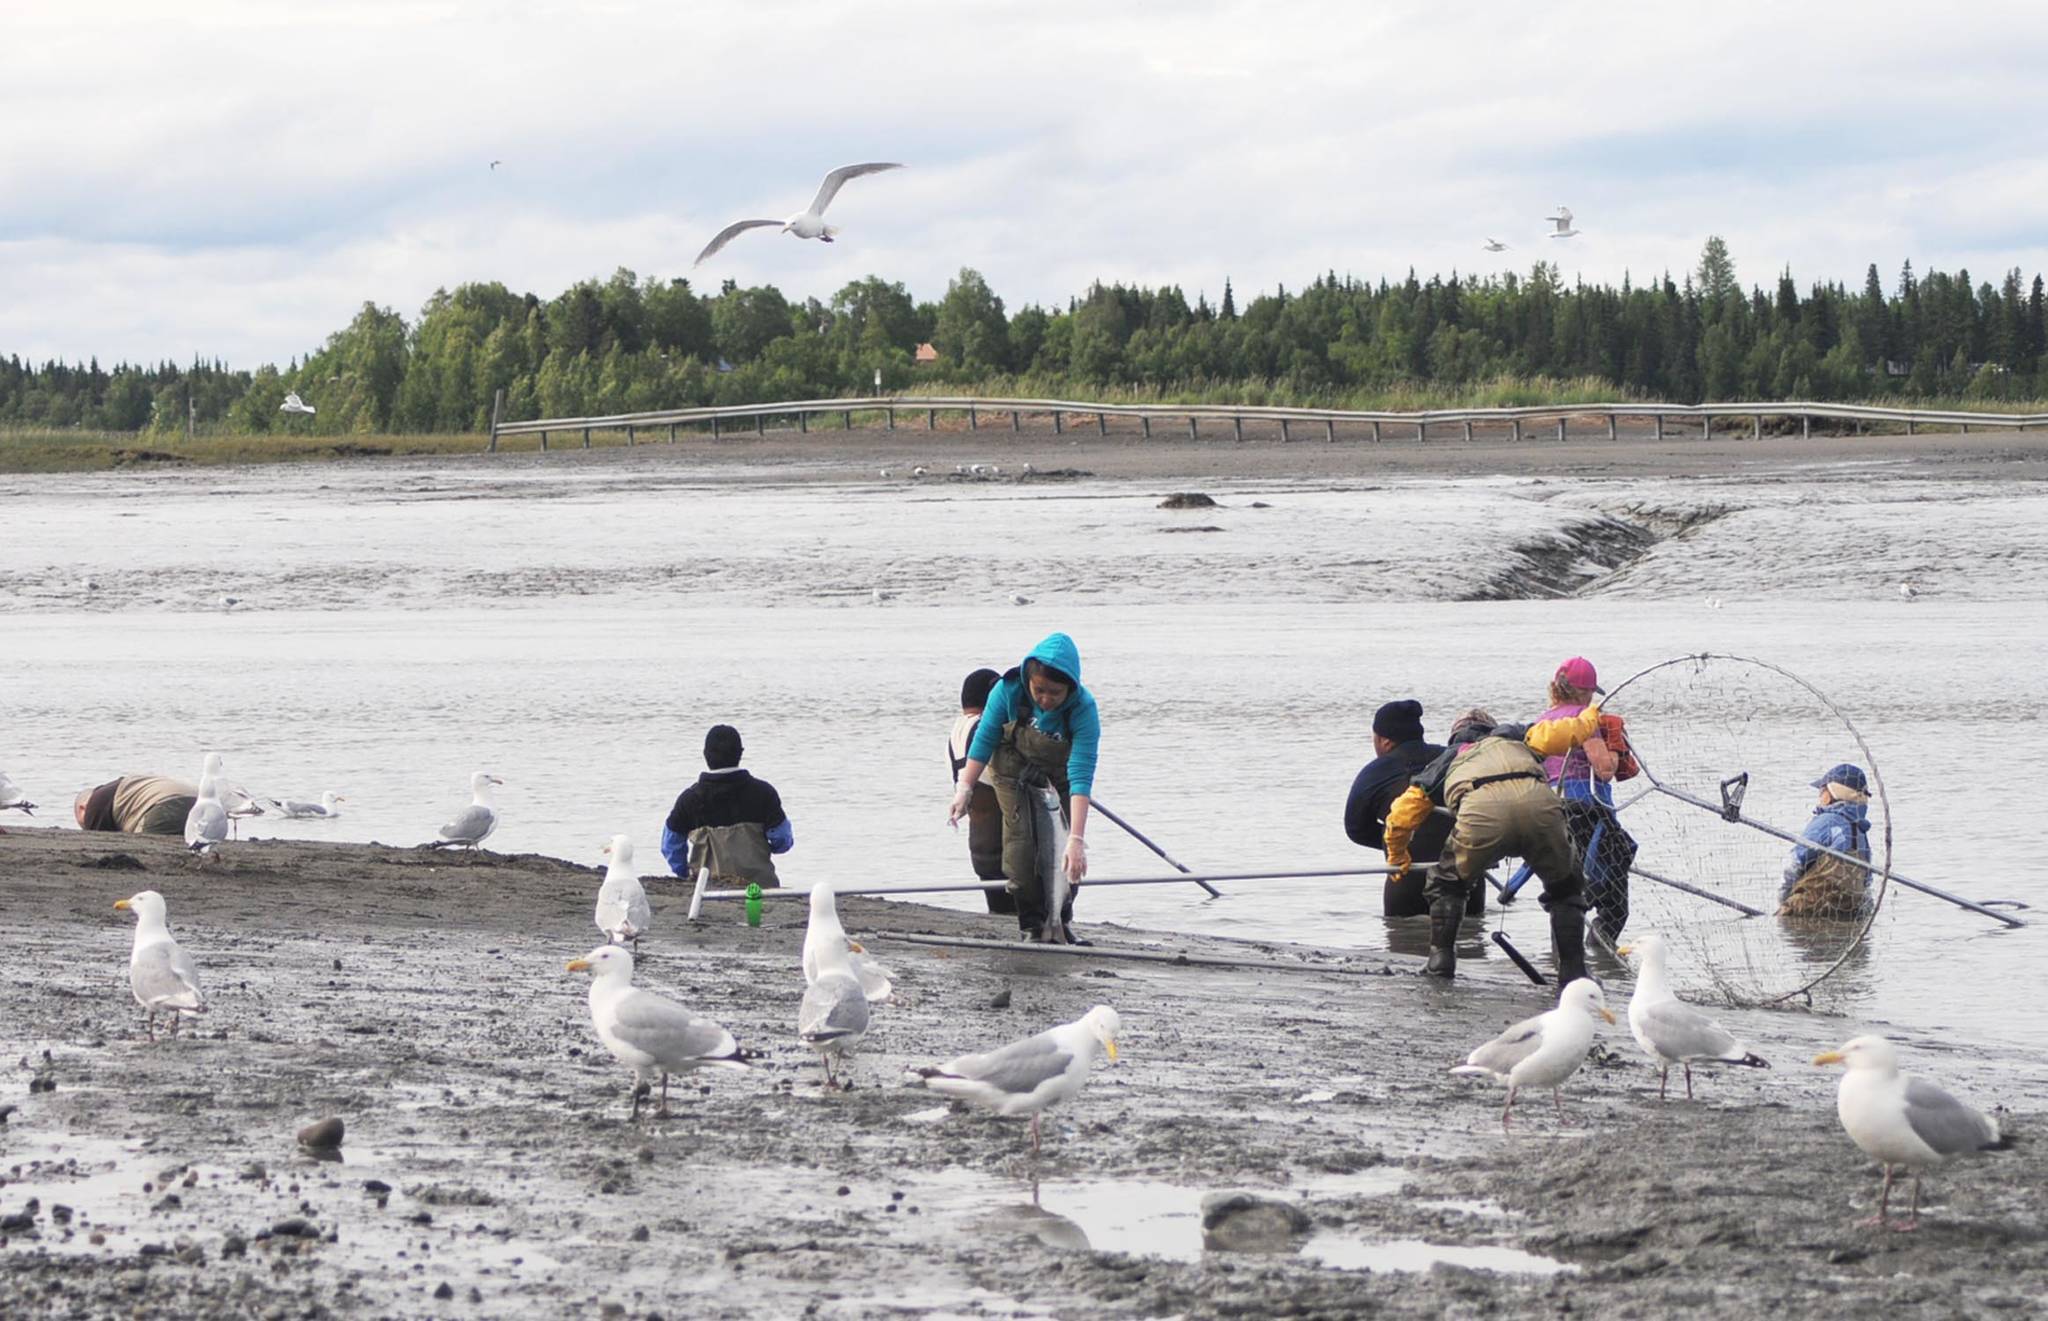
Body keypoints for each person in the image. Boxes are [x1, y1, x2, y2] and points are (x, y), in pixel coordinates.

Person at [1383, 703, 1606, 986]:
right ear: (1492, 729)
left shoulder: (1449, 758)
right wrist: (1589, 717)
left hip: (1481, 812)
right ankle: (1573, 971)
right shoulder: (1517, 737)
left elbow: (1402, 814)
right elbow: (1564, 732)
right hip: (1539, 805)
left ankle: (1440, 962)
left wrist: (1398, 854)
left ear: (1456, 736)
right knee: (1566, 888)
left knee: (1447, 884)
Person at [947, 632, 1097, 941]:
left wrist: (1077, 838)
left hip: (1060, 778)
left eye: (1055, 693)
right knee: (1020, 852)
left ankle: (1059, 921)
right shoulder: (1007, 689)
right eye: (1039, 690)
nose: (1045, 699)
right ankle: (1031, 925)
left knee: (1063, 855)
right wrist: (965, 788)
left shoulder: (1083, 709)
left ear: (1070, 687)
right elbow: (985, 738)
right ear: (1028, 678)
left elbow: (1081, 772)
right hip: (1011, 772)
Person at [1344, 699, 1478, 919]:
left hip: (1406, 880)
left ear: (1385, 741)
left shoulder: (1373, 773)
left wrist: (1401, 840)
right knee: (1468, 944)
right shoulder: (1454, 758)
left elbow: (1356, 828)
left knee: (1403, 946)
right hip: (1464, 875)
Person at [1537, 657, 1640, 943]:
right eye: (1591, 692)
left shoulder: (1543, 721)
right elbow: (1604, 771)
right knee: (1615, 903)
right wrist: (1616, 746)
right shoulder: (1585, 722)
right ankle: (1600, 948)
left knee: (1564, 890)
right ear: (1582, 692)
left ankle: (1562, 954)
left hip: (1554, 814)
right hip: (1591, 815)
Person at [661, 725, 792, 888]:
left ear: (705, 754)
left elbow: (670, 847)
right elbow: (782, 841)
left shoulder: (689, 799)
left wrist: (684, 872)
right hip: (760, 888)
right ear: (741, 752)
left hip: (706, 889)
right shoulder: (764, 793)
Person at [949, 667, 1016, 915]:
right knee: (1016, 913)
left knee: (999, 912)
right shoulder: (985, 727)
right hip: (1001, 841)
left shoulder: (956, 731)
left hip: (980, 843)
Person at [1779, 763, 1872, 918]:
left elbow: (1794, 862)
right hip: (1849, 914)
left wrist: (1782, 900)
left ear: (1830, 795)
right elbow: (1867, 882)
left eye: (1822, 791)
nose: (1819, 796)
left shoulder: (1826, 821)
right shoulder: (1861, 831)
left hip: (1807, 910)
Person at [74, 775, 200, 836]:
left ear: (82, 809)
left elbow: (100, 838)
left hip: (165, 805)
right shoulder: (129, 786)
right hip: (199, 801)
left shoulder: (95, 803)